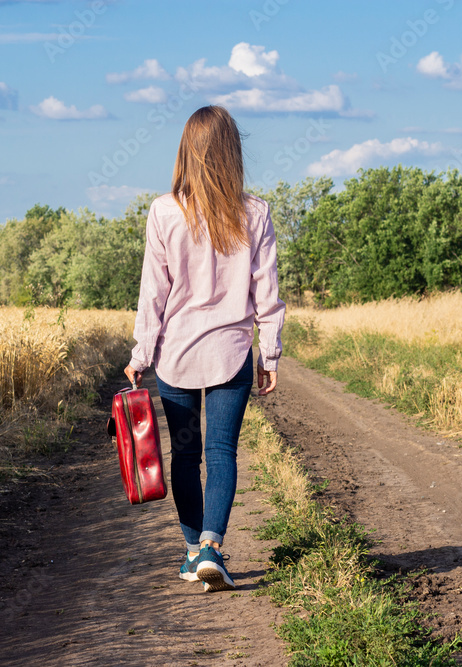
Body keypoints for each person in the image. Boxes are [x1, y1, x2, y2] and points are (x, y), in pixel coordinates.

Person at [124, 105, 286, 593]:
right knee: (221, 452)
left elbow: (153, 292)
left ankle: (193, 551)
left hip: (176, 355)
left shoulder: (163, 211)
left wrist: (140, 355)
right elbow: (268, 291)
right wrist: (269, 354)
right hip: (231, 354)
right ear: (232, 152)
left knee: (186, 453)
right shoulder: (254, 211)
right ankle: (212, 546)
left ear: (186, 151)